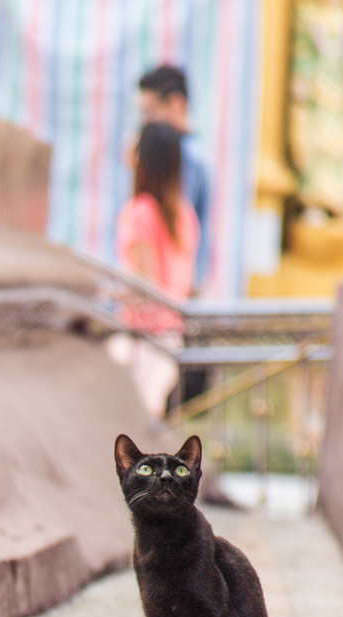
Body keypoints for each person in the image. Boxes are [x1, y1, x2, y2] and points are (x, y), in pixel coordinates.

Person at [110, 121, 200, 419]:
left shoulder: (140, 212)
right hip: (170, 337)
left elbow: (145, 287)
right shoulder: (184, 214)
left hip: (143, 341)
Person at [138, 65, 212, 294]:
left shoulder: (185, 156)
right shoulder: (196, 152)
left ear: (177, 104)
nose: (147, 122)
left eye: (151, 111)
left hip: (167, 291)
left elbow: (168, 233)